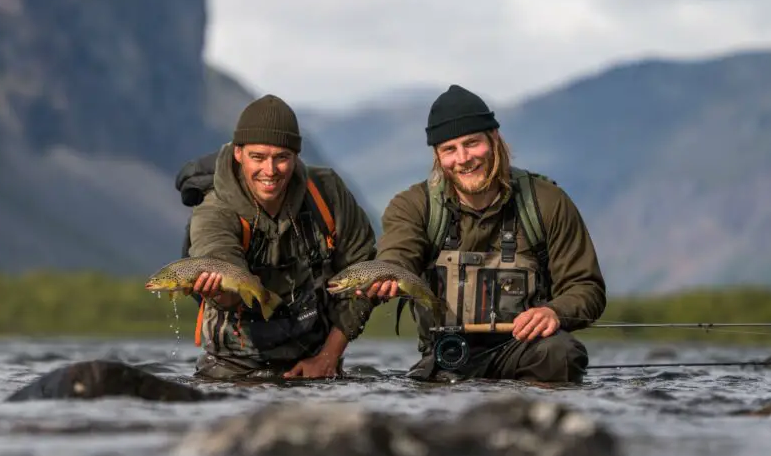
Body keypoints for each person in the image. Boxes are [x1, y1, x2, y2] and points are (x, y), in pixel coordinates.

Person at [367, 84, 607, 383]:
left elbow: (586, 287)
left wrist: (554, 312)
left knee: (563, 354)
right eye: (449, 149)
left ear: (494, 139)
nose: (463, 158)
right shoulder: (413, 205)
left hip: (526, 349)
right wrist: (389, 274)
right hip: (448, 355)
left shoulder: (547, 202)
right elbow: (399, 252)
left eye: (472, 143)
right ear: (437, 156)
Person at [177, 94, 377, 380]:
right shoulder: (213, 211)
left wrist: (328, 358)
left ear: (296, 156)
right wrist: (221, 293)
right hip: (234, 367)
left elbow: (364, 272)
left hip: (318, 364)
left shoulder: (327, 193)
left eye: (281, 158)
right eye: (257, 157)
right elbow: (218, 255)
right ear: (238, 153)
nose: (269, 171)